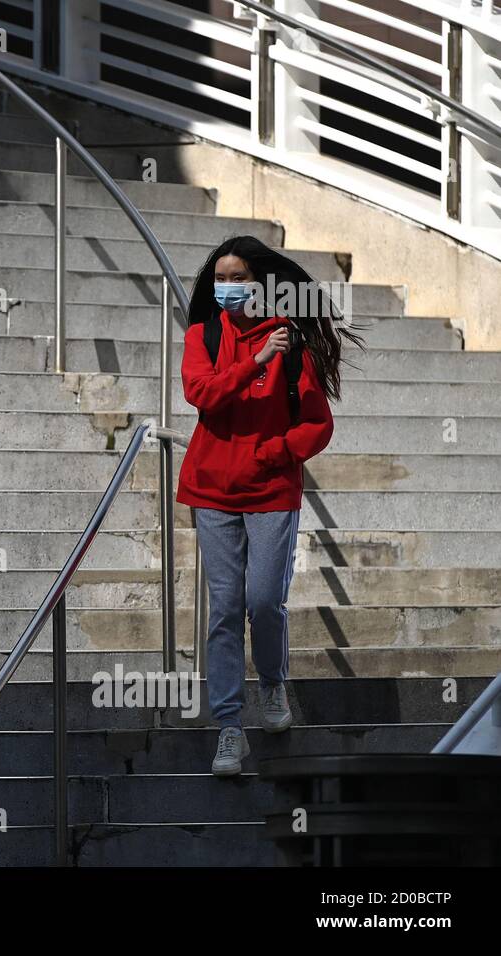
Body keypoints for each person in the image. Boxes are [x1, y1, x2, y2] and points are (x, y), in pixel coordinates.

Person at [176, 236, 365, 777]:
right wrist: (253, 361)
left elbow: (318, 425)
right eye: (221, 278)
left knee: (263, 600)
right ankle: (230, 727)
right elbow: (201, 394)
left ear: (261, 285)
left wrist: (271, 453)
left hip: (270, 493)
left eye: (238, 278)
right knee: (225, 608)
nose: (227, 287)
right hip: (212, 490)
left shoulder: (293, 346)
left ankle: (274, 685)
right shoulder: (203, 335)